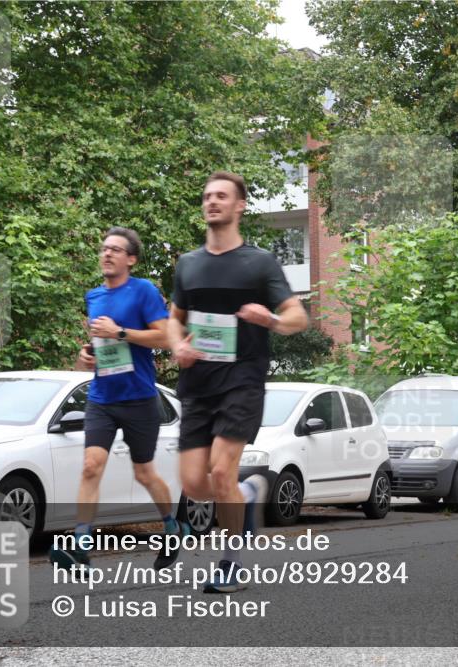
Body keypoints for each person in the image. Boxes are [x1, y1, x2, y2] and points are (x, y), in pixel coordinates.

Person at [169, 171, 308, 593]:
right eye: (207, 195)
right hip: (197, 385)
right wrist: (177, 346)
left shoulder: (259, 262)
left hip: (243, 382)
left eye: (221, 196)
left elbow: (298, 317)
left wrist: (270, 318)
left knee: (219, 471)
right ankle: (246, 494)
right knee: (196, 484)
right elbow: (174, 320)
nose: (212, 202)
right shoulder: (188, 264)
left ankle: (230, 565)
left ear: (240, 205)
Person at [50, 227, 178, 571]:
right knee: (91, 467)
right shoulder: (94, 296)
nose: (107, 254)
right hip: (102, 396)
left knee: (144, 473)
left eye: (116, 250)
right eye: (104, 248)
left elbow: (164, 338)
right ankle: (80, 546)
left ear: (131, 259)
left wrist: (119, 332)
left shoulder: (144, 291)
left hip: (139, 398)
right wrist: (86, 355)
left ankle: (171, 526)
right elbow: (98, 346)